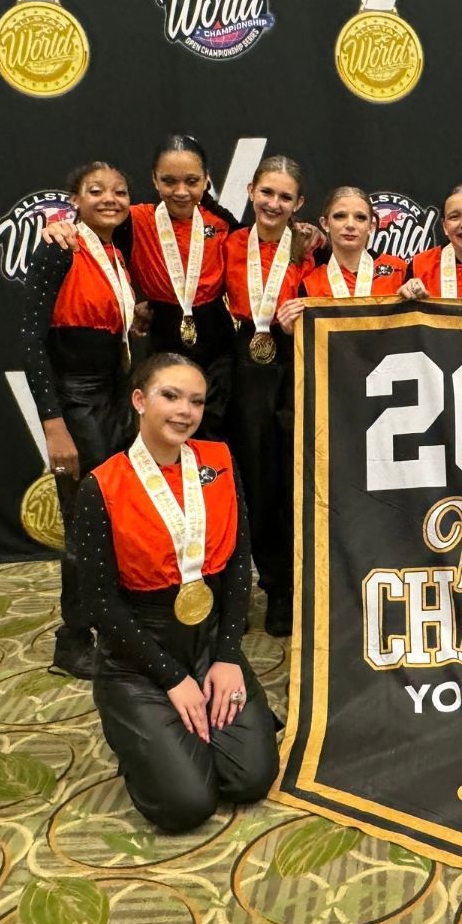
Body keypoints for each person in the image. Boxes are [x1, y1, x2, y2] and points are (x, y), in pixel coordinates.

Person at [75, 354, 278, 831]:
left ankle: (186, 735)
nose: (185, 411)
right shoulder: (101, 486)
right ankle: (139, 732)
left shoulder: (220, 462)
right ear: (139, 400)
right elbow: (101, 604)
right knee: (188, 803)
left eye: (197, 400)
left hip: (208, 645)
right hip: (138, 657)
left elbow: (235, 568)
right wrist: (171, 677)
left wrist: (227, 655)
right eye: (170, 396)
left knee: (251, 778)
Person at [40, 135, 238, 439]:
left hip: (218, 346)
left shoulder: (222, 223)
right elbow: (94, 234)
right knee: (160, 435)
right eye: (169, 181)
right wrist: (61, 224)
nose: (181, 191)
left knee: (216, 436)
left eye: (192, 181)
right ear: (155, 180)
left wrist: (307, 237)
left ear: (206, 181)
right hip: (160, 340)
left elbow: (264, 251)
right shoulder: (133, 220)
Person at [22, 161, 136, 679]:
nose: (109, 198)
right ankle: (71, 641)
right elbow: (30, 340)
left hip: (115, 399)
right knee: (85, 526)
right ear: (75, 199)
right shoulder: (58, 246)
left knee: (116, 521)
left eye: (119, 191)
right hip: (76, 402)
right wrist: (53, 422)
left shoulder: (112, 251)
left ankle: (114, 626)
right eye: (96, 191)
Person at [224, 156, 315, 637]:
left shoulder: (309, 248)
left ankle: (295, 586)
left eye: (285, 196)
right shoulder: (227, 243)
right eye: (267, 193)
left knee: (291, 478)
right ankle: (261, 586)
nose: (274, 203)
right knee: (253, 481)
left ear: (298, 204)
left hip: (296, 359)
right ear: (250, 190)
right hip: (244, 361)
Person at [284, 187, 407, 321]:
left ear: (371, 226)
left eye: (360, 217)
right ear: (325, 223)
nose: (350, 225)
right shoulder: (311, 283)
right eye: (340, 216)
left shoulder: (399, 270)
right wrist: (290, 330)